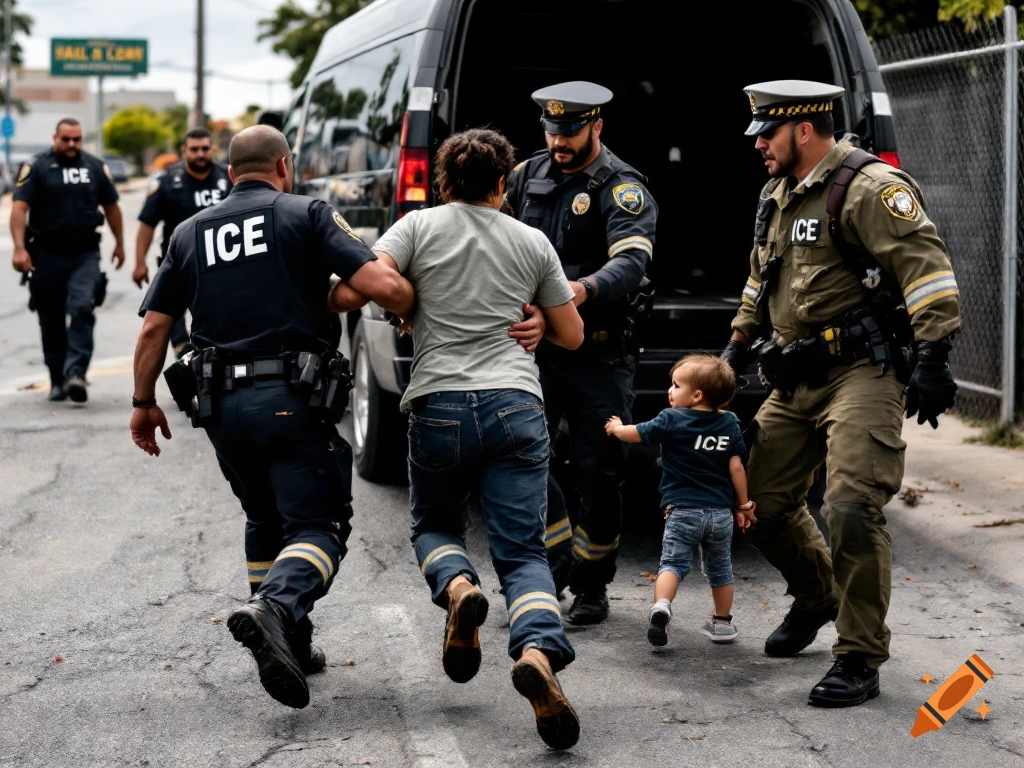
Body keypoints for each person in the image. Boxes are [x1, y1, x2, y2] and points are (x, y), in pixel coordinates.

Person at [129, 125, 415, 709]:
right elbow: (382, 284)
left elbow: (156, 326)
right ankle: (276, 608)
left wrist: (141, 402)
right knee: (319, 527)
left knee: (263, 516)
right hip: (291, 400)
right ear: (283, 165)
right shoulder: (304, 213)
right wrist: (411, 302)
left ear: (230, 171)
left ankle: (291, 641)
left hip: (220, 410)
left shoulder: (187, 232)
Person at [336, 128, 585, 749]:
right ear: (504, 184)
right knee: (524, 553)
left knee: (434, 526)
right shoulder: (531, 240)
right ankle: (538, 657)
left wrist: (411, 302)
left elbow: (372, 280)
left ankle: (458, 588)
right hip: (516, 405)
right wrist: (535, 321)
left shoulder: (417, 228)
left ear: (443, 183)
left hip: (439, 404)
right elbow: (572, 334)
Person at [720, 80, 961, 707]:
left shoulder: (870, 188)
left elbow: (926, 269)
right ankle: (818, 596)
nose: (759, 147)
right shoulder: (776, 195)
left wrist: (934, 357)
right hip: (793, 374)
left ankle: (858, 654)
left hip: (862, 372)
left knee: (851, 506)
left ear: (803, 130)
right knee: (759, 503)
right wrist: (736, 347)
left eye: (766, 134)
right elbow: (759, 277)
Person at [503, 81, 659, 625]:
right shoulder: (526, 176)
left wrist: (580, 290)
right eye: (550, 130)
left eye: (568, 131)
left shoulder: (622, 187)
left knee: (599, 471)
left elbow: (631, 263)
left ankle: (592, 585)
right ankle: (552, 562)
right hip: (533, 352)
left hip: (599, 356)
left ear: (597, 126)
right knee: (524, 458)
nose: (558, 142)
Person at [605, 355, 755, 647]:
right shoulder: (729, 423)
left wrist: (616, 428)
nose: (670, 391)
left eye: (676, 385)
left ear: (696, 395)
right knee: (721, 568)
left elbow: (636, 434)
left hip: (683, 511)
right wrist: (744, 505)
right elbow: (736, 467)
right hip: (720, 514)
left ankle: (661, 605)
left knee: (672, 564)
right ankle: (722, 624)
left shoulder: (671, 418)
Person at [10, 117, 125, 403]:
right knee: (51, 320)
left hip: (84, 254)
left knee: (83, 307)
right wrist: (18, 248)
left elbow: (112, 207)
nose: (72, 144)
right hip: (45, 256)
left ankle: (75, 373)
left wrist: (121, 244)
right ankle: (56, 380)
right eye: (66, 139)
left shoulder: (94, 167)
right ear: (55, 138)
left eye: (77, 139)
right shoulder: (37, 167)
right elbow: (19, 208)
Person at [133, 127, 233, 359]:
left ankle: (205, 363)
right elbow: (147, 224)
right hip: (178, 264)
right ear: (183, 151)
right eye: (194, 149)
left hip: (220, 263)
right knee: (174, 327)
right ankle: (184, 356)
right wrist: (140, 263)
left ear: (213, 149)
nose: (200, 154)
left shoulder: (228, 178)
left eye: (205, 148)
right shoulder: (167, 181)